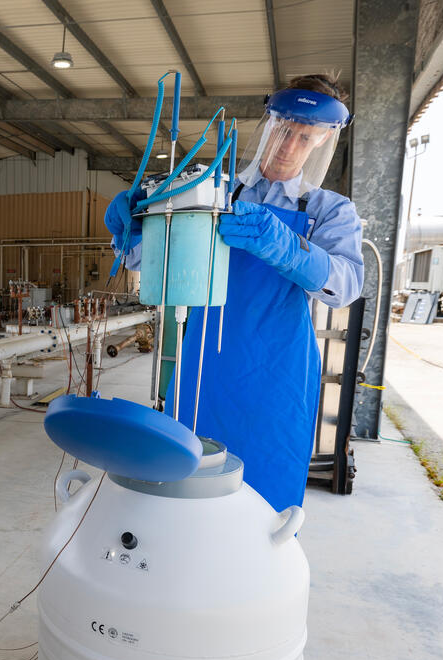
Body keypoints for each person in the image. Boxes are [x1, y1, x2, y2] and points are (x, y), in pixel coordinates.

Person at [105, 74, 363, 512]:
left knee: (266, 503)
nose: (289, 145)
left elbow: (345, 286)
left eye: (305, 137)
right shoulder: (210, 192)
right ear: (267, 124)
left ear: (321, 141)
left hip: (278, 376)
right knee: (189, 485)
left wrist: (286, 245)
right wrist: (130, 231)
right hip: (205, 368)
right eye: (283, 130)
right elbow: (144, 262)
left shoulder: (328, 211)